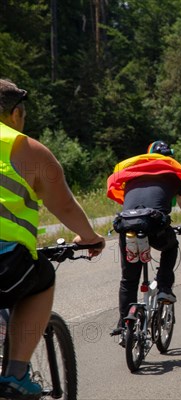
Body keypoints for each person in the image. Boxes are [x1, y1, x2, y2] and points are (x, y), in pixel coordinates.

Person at [0, 79, 105, 398]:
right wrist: (90, 238)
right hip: (6, 261)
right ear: (16, 113)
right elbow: (65, 207)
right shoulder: (24, 149)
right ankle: (16, 374)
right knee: (42, 277)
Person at [106, 140, 181, 341]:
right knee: (171, 246)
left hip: (127, 224)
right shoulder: (172, 173)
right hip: (154, 224)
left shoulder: (134, 172)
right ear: (170, 158)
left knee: (129, 279)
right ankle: (164, 287)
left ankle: (124, 324)